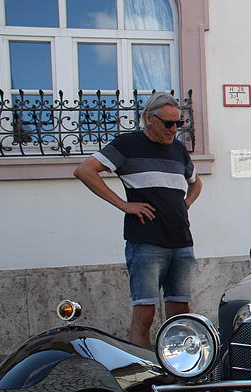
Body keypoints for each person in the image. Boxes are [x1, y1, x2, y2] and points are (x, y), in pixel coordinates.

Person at [73, 92, 203, 349]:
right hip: (146, 242)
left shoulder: (178, 149)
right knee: (145, 315)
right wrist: (123, 205)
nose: (174, 129)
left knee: (180, 315)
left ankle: (176, 372)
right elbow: (84, 170)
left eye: (179, 124)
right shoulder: (127, 145)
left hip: (181, 241)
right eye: (168, 123)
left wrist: (185, 203)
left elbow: (196, 183)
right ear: (148, 119)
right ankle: (143, 377)